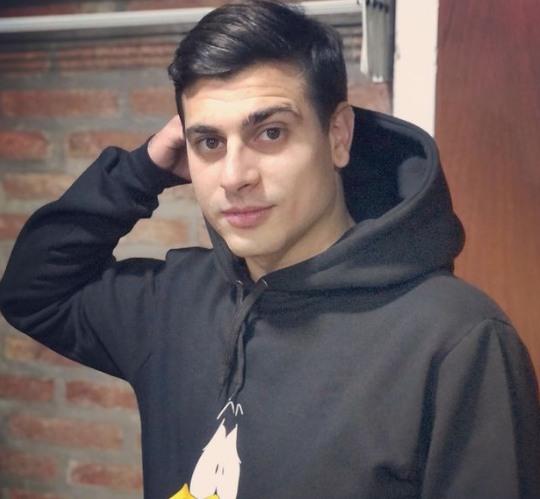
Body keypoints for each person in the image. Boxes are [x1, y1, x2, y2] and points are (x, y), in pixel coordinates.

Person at [0, 1, 539, 498]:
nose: (234, 176)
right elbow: (33, 291)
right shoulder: (176, 299)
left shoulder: (457, 340)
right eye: (209, 142)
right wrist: (142, 169)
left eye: (271, 133)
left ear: (338, 135)